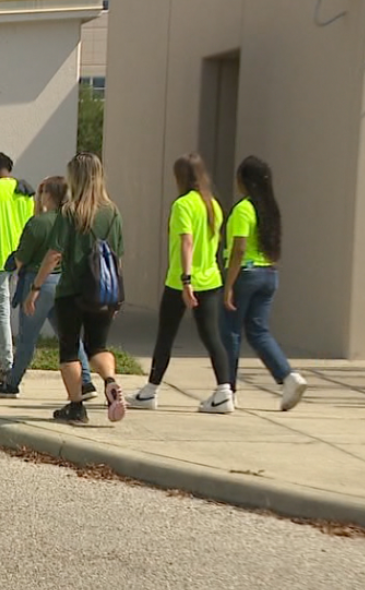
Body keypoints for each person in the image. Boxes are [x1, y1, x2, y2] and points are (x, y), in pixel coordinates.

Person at [127, 153, 235, 414]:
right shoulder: (212, 205)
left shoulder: (183, 205)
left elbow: (187, 242)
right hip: (210, 278)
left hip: (181, 281)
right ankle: (224, 392)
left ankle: (151, 390)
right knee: (212, 337)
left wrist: (186, 281)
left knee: (166, 335)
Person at [25, 153, 128, 425]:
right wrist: (115, 296)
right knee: (98, 346)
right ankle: (110, 381)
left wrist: (36, 288)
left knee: (69, 349)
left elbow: (54, 254)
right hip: (103, 291)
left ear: (76, 178)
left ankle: (76, 407)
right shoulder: (113, 211)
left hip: (71, 291)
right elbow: (118, 256)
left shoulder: (70, 212)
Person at [0, 177, 96, 400]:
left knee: (28, 338)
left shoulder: (38, 223)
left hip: (37, 283)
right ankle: (86, 380)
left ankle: (12, 383)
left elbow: (21, 258)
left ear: (47, 195)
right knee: (69, 335)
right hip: (63, 282)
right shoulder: (74, 221)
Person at [222, 156, 308, 411]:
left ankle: (227, 390)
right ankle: (288, 376)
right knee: (259, 331)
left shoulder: (243, 209)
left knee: (230, 332)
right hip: (269, 273)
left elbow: (239, 249)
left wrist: (228, 285)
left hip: (246, 274)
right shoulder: (270, 210)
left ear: (245, 181)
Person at [0, 152, 36, 384]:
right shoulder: (24, 190)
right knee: (11, 307)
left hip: (1, 257)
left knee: (1, 308)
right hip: (22, 256)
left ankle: (7, 364)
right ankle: (0, 351)